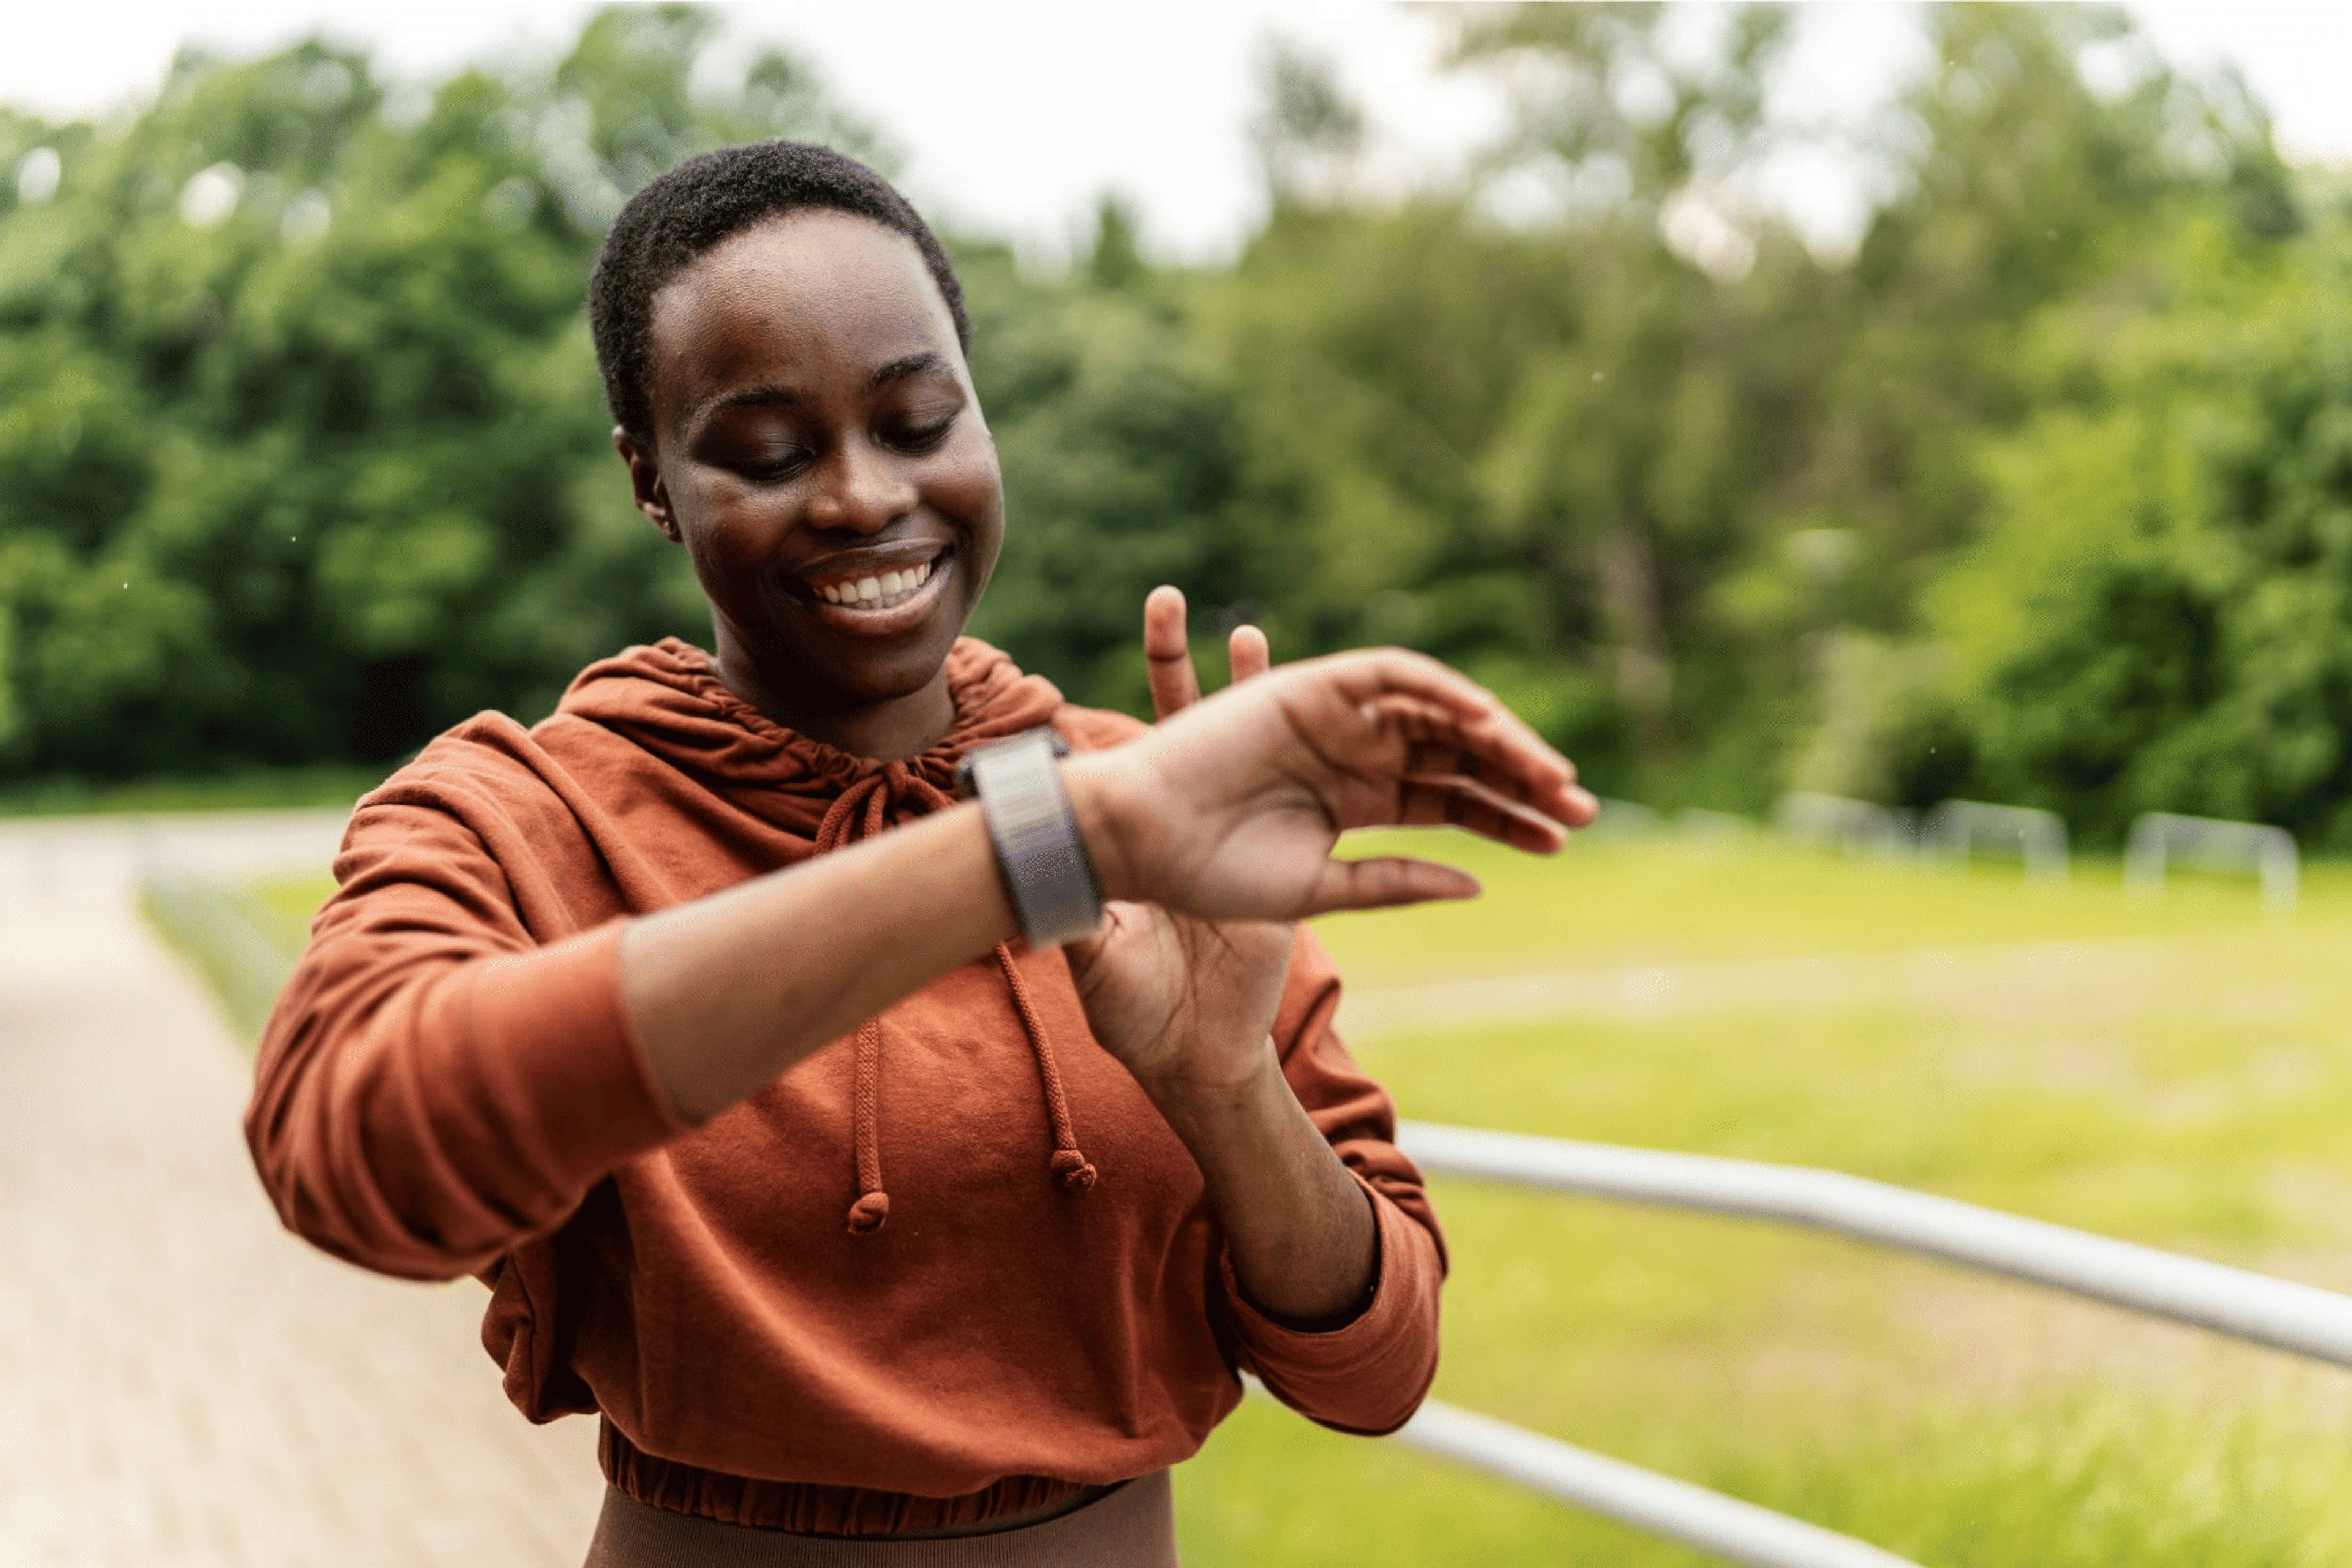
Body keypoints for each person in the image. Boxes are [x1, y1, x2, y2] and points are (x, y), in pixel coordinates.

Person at [246, 140, 1596, 1566]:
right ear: (651, 479)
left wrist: (1225, 1081)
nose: (860, 496)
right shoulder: (523, 813)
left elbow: (1377, 1369)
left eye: (917, 420)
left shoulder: (1146, 809)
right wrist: (1021, 856)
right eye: (766, 452)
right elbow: (350, 1147)